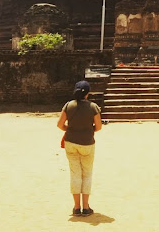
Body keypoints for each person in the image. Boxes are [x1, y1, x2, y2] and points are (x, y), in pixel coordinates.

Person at [57, 80, 102, 217]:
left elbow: (60, 124)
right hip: (87, 143)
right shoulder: (93, 107)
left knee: (75, 174)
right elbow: (98, 127)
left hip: (71, 142)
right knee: (86, 174)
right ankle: (86, 207)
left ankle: (76, 207)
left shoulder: (68, 105)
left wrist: (71, 129)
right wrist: (88, 130)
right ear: (88, 93)